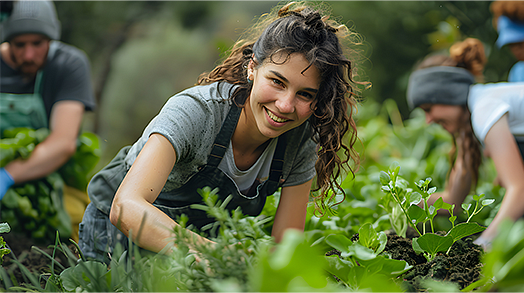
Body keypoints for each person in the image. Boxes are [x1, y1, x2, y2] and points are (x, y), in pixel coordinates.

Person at [78, 1, 364, 263]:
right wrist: (211, 253)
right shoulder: (196, 112)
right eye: (277, 81)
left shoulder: (299, 142)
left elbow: (285, 247)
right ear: (252, 68)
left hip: (188, 253)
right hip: (115, 240)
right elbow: (126, 207)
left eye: (305, 95)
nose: (285, 105)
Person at [407, 38, 524, 248]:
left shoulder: (485, 109)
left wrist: (482, 245)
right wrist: (410, 205)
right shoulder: (468, 129)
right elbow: (453, 201)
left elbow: (519, 192)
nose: (428, 120)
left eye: (429, 109)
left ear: (448, 94)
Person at [0, 0, 95, 240]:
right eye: (20, 45)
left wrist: (5, 176)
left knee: (79, 224)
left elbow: (62, 143)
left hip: (52, 177)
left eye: (38, 43)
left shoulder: (69, 65)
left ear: (51, 39)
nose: (29, 54)